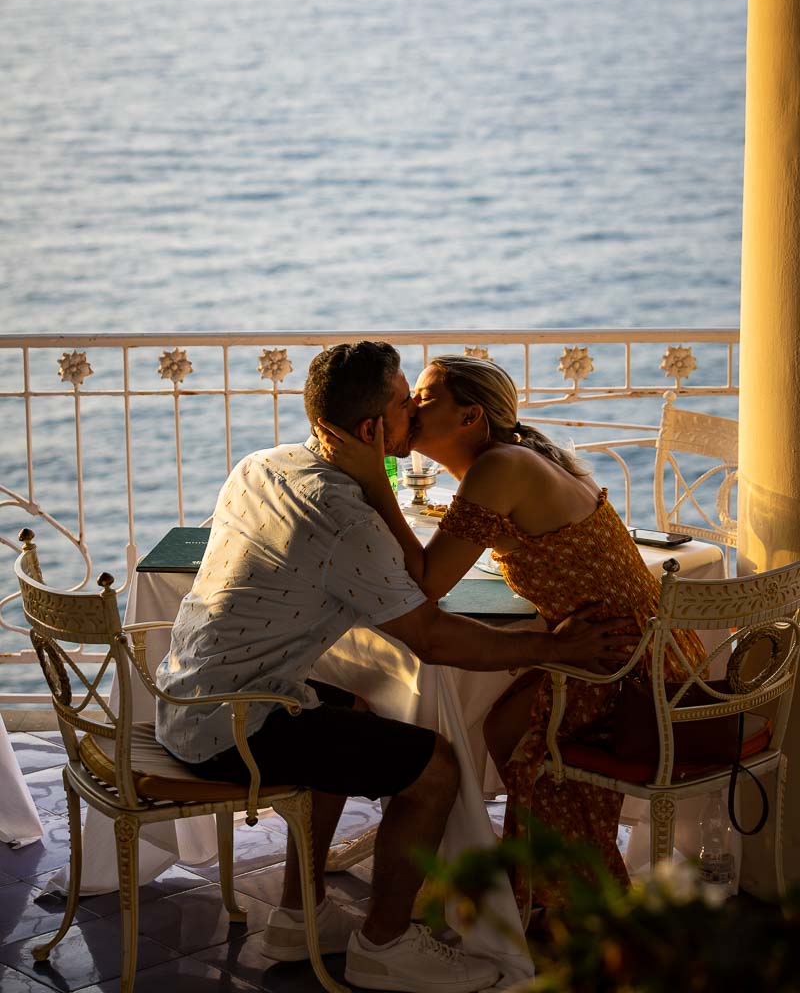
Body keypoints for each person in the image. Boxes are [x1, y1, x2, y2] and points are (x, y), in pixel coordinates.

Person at [156, 341, 638, 992]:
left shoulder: (263, 464)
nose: (413, 409)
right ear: (369, 431)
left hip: (187, 700)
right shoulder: (347, 520)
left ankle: (301, 915)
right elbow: (431, 638)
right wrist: (553, 649)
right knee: (434, 766)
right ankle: (385, 946)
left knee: (348, 708)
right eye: (404, 403)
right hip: (231, 729)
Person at [318, 353, 706, 924]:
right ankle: (547, 884)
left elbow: (426, 584)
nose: (410, 408)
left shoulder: (501, 468)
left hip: (628, 659)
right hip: (630, 640)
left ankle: (562, 895)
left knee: (520, 736)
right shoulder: (514, 460)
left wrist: (377, 482)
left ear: (471, 416)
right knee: (507, 727)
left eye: (424, 398)